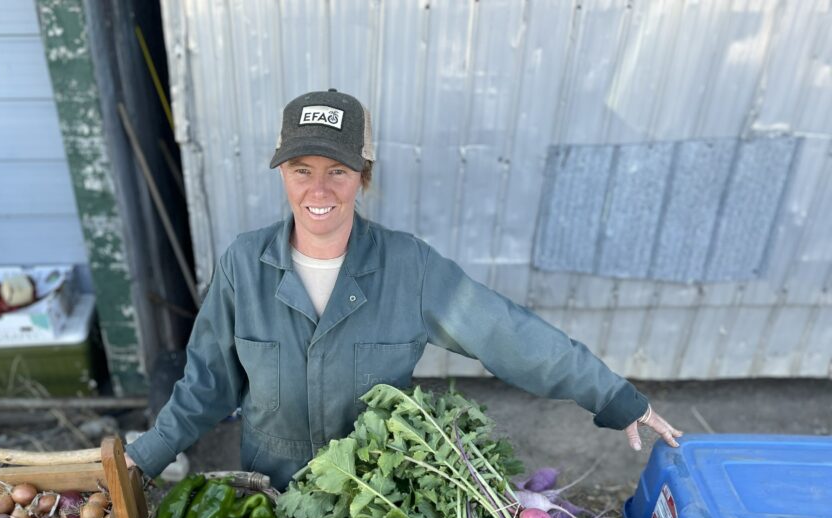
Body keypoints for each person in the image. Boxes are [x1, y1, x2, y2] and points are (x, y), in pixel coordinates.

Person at [125, 89, 681, 488]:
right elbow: (206, 385)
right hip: (272, 494)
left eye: (337, 171)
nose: (318, 189)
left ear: (363, 175)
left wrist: (610, 394)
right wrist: (142, 458)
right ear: (282, 175)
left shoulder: (407, 266)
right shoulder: (244, 265)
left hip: (374, 504)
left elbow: (506, 333)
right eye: (301, 169)